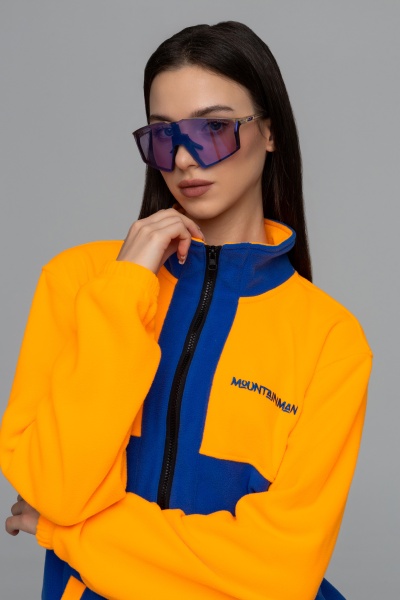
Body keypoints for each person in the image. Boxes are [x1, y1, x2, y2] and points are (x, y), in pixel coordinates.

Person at [1, 21, 372, 600]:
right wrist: (124, 291)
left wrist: (72, 534)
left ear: (270, 132)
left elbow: (280, 573)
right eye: (162, 135)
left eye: (213, 129)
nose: (181, 157)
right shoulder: (81, 282)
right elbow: (57, 486)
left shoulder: (331, 339)